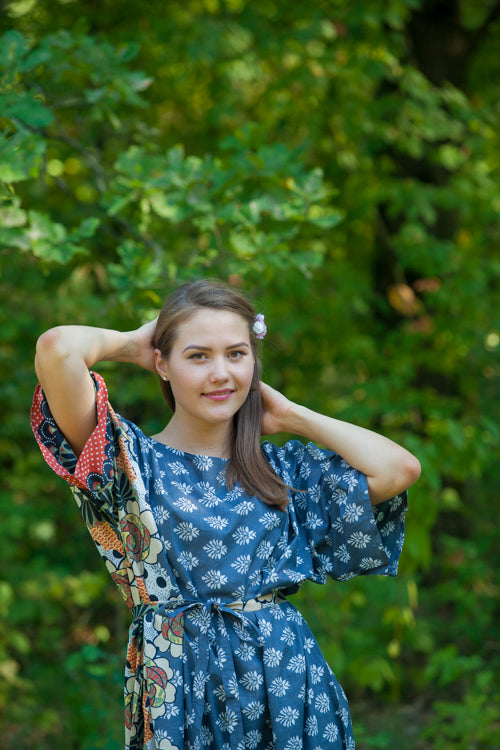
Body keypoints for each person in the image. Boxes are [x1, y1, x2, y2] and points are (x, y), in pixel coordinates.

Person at [31, 279, 420, 750]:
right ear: (163, 363)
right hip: (180, 689)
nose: (221, 373)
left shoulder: (279, 471)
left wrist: (294, 416)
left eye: (236, 354)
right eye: (198, 356)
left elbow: (399, 469)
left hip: (288, 683)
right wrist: (134, 343)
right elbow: (57, 349)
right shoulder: (126, 462)